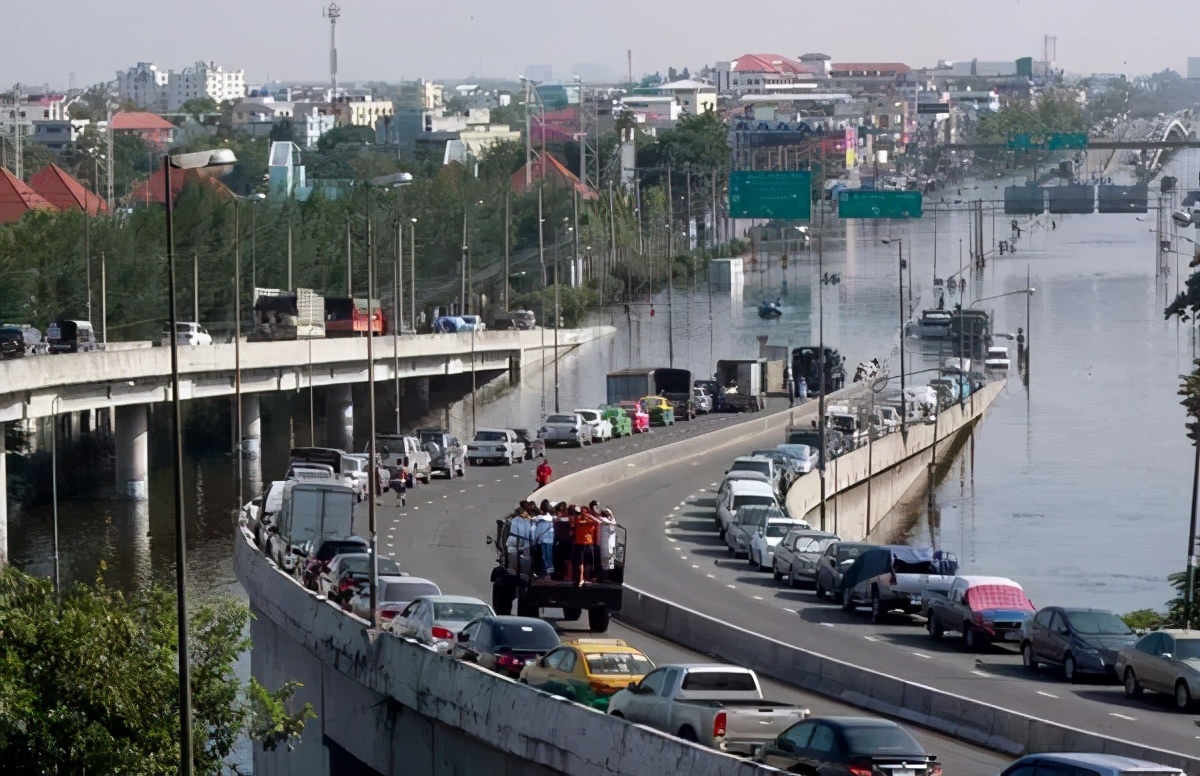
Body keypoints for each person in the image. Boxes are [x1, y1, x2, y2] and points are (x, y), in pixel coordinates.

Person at [571, 506, 600, 586]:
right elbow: (575, 521)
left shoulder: (591, 521)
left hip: (588, 544)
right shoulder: (578, 519)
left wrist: (591, 516)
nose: (584, 513)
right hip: (579, 544)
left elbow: (599, 522)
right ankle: (581, 578)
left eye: (585, 511)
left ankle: (587, 578)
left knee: (588, 563)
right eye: (582, 511)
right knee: (580, 562)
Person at [531, 506, 555, 577]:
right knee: (549, 557)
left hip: (543, 540)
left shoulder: (540, 520)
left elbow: (536, 531)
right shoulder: (551, 518)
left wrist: (534, 540)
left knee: (545, 557)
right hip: (551, 540)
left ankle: (547, 574)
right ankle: (550, 573)